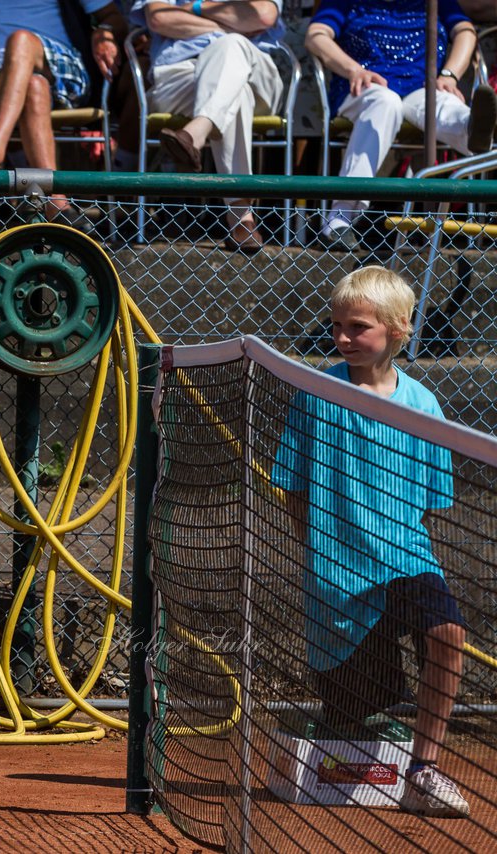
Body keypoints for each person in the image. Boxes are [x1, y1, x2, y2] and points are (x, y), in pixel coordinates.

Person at [273, 265, 471, 819]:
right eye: (336, 325)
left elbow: (433, 500)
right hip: (335, 578)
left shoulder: (424, 404)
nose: (341, 337)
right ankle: (356, 707)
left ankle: (424, 770)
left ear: (399, 329)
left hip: (407, 560)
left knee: (448, 633)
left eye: (357, 327)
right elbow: (291, 487)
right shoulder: (316, 392)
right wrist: (318, 555)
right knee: (353, 711)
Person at [306, 0, 497, 250]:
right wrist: (353, 69)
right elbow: (316, 35)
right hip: (367, 86)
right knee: (386, 103)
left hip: (423, 87)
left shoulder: (434, 1)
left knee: (444, 105)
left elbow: (464, 31)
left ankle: (473, 129)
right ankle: (339, 219)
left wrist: (449, 75)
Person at [0, 0, 129, 221]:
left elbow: (114, 18)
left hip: (63, 67)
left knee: (21, 40)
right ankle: (55, 202)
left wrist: (104, 32)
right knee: (34, 86)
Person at [130, 0, 285, 252]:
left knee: (231, 47)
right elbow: (159, 18)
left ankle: (196, 131)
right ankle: (241, 217)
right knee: (236, 91)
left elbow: (264, 16)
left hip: (253, 68)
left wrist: (195, 8)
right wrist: (230, 24)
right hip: (180, 75)